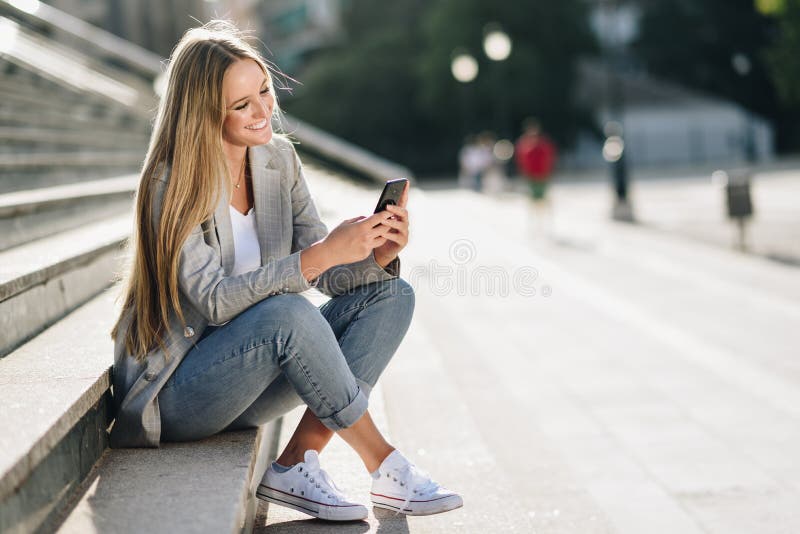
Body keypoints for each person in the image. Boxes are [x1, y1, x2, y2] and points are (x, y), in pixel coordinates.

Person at [109, 21, 462, 521]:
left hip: (252, 378)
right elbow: (214, 299)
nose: (264, 109)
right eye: (243, 104)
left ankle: (297, 461)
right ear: (204, 113)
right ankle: (384, 464)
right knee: (287, 314)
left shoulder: (278, 160)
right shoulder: (172, 181)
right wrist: (320, 255)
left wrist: (372, 254)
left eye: (265, 90)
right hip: (178, 392)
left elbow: (323, 274)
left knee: (391, 294)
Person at [515, 119, 557, 235]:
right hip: (531, 177)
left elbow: (549, 159)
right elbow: (522, 160)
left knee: (543, 200)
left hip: (542, 176)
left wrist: (548, 173)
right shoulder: (524, 143)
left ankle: (543, 223)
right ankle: (534, 224)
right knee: (532, 201)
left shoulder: (543, 144)